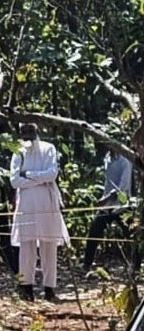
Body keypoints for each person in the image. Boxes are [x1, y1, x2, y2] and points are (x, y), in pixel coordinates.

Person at [10, 122, 69, 303]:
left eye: (30, 130)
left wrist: (28, 174)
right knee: (26, 248)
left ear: (37, 131)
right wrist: (40, 178)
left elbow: (52, 174)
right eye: (24, 131)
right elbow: (14, 181)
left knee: (48, 246)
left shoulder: (48, 148)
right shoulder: (18, 151)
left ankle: (49, 289)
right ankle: (26, 289)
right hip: (26, 205)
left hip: (46, 204)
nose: (27, 134)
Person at [83, 150, 133, 272]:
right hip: (107, 206)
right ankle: (86, 265)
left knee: (131, 236)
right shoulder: (108, 158)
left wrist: (106, 199)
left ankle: (135, 266)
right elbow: (108, 182)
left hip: (122, 205)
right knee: (94, 232)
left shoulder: (125, 161)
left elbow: (122, 187)